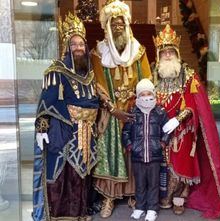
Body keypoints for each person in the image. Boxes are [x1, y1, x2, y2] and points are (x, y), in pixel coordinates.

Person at [152, 24, 220, 219]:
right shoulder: (152, 74)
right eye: (164, 52)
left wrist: (178, 120)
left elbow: (194, 105)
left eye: (171, 52)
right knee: (161, 164)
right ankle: (163, 195)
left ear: (177, 53)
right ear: (159, 54)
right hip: (158, 129)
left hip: (182, 129)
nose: (167, 56)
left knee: (181, 162)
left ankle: (179, 197)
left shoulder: (188, 75)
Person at [32, 13, 99, 221]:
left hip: (86, 132)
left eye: (81, 44)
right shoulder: (56, 71)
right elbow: (45, 103)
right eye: (74, 44)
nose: (78, 48)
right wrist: (42, 128)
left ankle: (79, 214)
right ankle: (60, 216)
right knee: (62, 175)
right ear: (66, 46)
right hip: (64, 131)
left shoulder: (89, 74)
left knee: (81, 175)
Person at [90, 0, 152, 218]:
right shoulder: (98, 54)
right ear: (107, 27)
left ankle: (133, 194)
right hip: (111, 113)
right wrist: (112, 108)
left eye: (121, 24)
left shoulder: (139, 52)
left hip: (135, 110)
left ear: (127, 25)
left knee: (134, 152)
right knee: (111, 151)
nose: (118, 27)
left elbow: (147, 81)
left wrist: (138, 105)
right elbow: (97, 85)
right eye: (113, 24)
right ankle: (109, 197)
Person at [122, 79, 170, 221]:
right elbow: (125, 132)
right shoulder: (133, 112)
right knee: (140, 183)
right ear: (138, 95)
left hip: (154, 155)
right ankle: (140, 207)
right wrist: (130, 145)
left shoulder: (160, 112)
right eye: (142, 94)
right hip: (138, 155)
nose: (146, 96)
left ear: (153, 94)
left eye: (149, 93)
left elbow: (167, 130)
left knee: (153, 184)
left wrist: (162, 143)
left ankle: (152, 209)